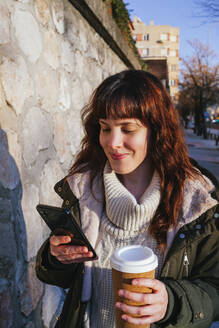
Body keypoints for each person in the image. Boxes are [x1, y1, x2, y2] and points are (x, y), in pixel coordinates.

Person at [36, 69, 219, 328]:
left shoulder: (196, 200)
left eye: (127, 129)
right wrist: (56, 257)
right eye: (105, 128)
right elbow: (55, 276)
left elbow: (214, 289)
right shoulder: (82, 190)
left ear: (156, 130)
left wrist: (172, 302)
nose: (112, 142)